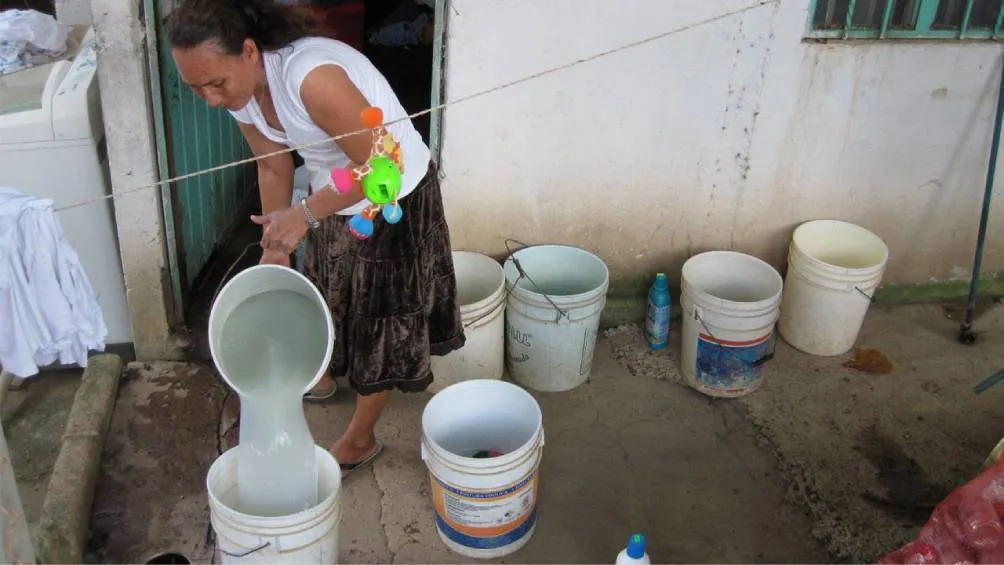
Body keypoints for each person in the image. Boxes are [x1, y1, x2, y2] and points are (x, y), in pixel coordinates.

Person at [166, 0, 465, 478]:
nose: (210, 99)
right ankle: (320, 376)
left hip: (392, 195)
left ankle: (361, 438)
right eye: (195, 87)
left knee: (378, 320)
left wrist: (305, 213)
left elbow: (381, 167)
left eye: (216, 83)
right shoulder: (239, 91)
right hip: (335, 192)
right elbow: (273, 163)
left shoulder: (311, 78)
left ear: (248, 51)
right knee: (324, 292)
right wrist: (274, 247)